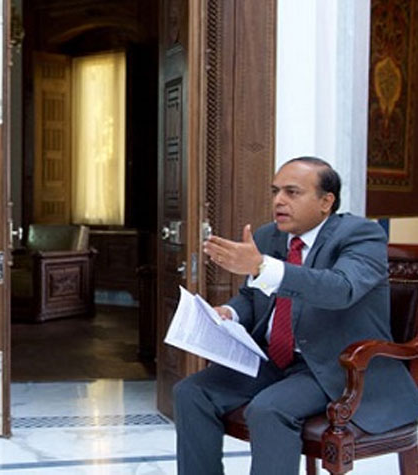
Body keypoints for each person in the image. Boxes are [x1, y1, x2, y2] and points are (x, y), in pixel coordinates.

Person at [173, 157, 418, 475]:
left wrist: (264, 267)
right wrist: (229, 313)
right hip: (272, 359)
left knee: (268, 409)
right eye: (275, 191)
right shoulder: (268, 237)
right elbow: (251, 296)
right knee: (191, 392)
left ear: (326, 201)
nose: (279, 200)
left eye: (292, 192)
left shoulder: (361, 235)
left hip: (334, 366)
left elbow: (341, 289)